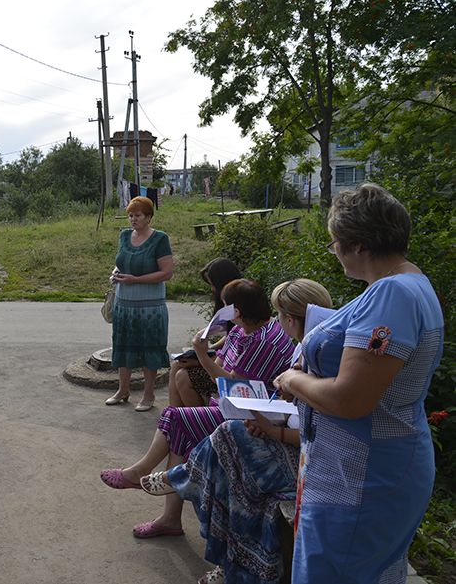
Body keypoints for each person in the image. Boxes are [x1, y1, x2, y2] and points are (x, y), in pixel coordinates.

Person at [273, 184, 443, 583]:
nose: (333, 250)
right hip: (370, 464)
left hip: (362, 473)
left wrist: (295, 379)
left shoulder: (391, 294)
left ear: (359, 246)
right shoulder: (409, 283)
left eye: (335, 243)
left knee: (335, 571)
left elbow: (350, 399)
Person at [143, 279, 333, 584]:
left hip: (302, 455)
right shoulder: (306, 347)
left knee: (226, 444)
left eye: (280, 313)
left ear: (291, 319)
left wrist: (274, 428)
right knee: (223, 444)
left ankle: (180, 479)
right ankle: (222, 559)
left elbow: (320, 431)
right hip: (278, 431)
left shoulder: (317, 355)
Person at [100, 278, 296, 539]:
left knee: (175, 418)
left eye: (225, 306)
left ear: (235, 311)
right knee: (179, 420)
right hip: (234, 406)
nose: (221, 310)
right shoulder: (242, 330)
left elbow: (227, 384)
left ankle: (142, 475)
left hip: (250, 416)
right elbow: (225, 364)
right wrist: (199, 354)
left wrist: (201, 355)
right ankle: (167, 515)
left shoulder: (263, 341)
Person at [107, 195, 173, 411]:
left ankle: (148, 395)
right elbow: (122, 262)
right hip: (124, 304)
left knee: (148, 349)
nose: (133, 219)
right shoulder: (125, 236)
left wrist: (136, 279)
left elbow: (167, 273)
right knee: (123, 345)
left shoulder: (159, 238)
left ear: (149, 217)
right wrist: (115, 273)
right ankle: (123, 390)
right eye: (130, 215)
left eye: (137, 215)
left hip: (150, 307)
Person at [169, 258, 243, 409]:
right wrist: (210, 349)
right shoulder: (233, 305)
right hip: (222, 360)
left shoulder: (239, 308)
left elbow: (232, 352)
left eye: (213, 285)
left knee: (183, 377)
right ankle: (174, 416)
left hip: (227, 368)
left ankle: (197, 421)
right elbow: (231, 336)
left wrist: (200, 359)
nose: (212, 290)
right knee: (176, 366)